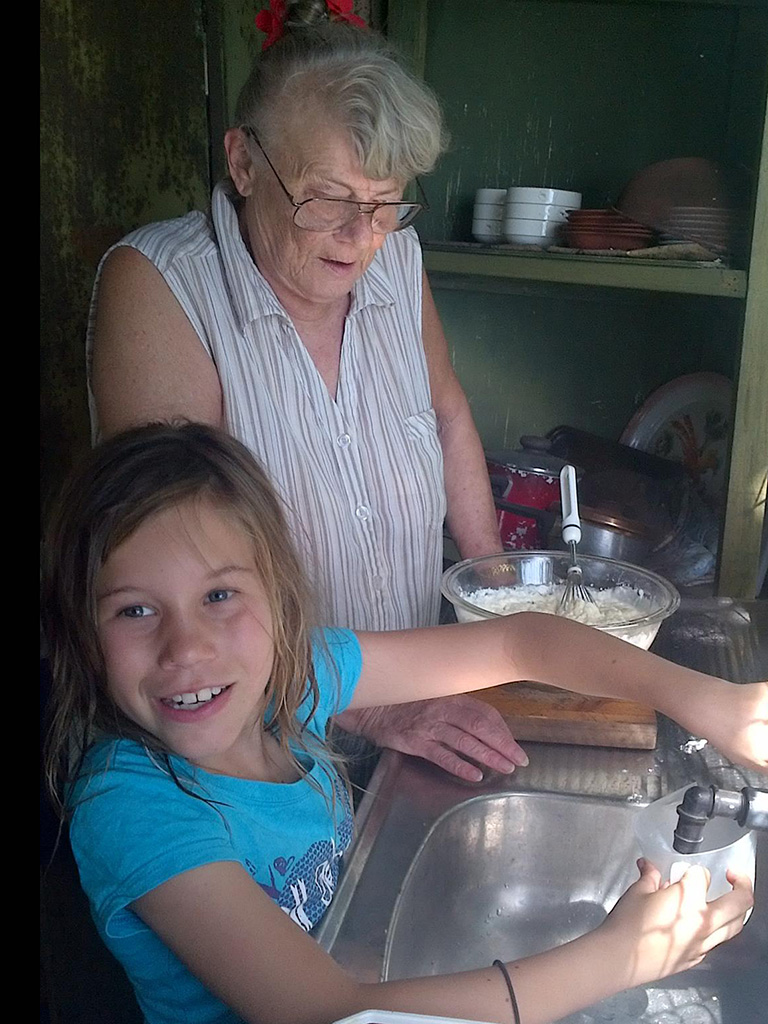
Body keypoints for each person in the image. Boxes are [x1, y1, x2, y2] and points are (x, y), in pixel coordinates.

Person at [42, 422, 765, 1024]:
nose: (187, 649)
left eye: (220, 595)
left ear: (279, 599)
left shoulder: (292, 681)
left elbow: (520, 641)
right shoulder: (131, 803)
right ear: (83, 629)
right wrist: (621, 958)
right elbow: (338, 1015)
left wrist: (710, 703)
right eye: (135, 610)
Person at [85, 0, 522, 786]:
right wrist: (372, 709)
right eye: (328, 199)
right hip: (257, 748)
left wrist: (495, 594)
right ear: (245, 162)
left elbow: (449, 414)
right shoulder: (160, 286)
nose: (362, 236)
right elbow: (178, 565)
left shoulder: (398, 258)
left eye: (386, 202)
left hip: (418, 712)